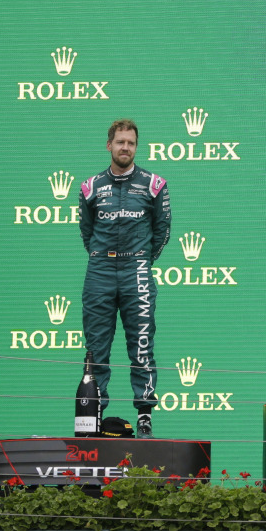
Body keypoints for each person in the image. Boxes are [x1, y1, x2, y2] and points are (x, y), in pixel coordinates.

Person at [79, 119, 170, 438]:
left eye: (131, 143)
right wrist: (104, 256)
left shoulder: (154, 183)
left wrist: (141, 260)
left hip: (137, 272)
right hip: (100, 270)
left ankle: (144, 415)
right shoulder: (90, 186)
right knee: (95, 346)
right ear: (109, 145)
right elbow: (86, 232)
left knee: (142, 345)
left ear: (136, 146)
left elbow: (162, 231)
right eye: (120, 142)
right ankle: (94, 413)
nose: (125, 148)